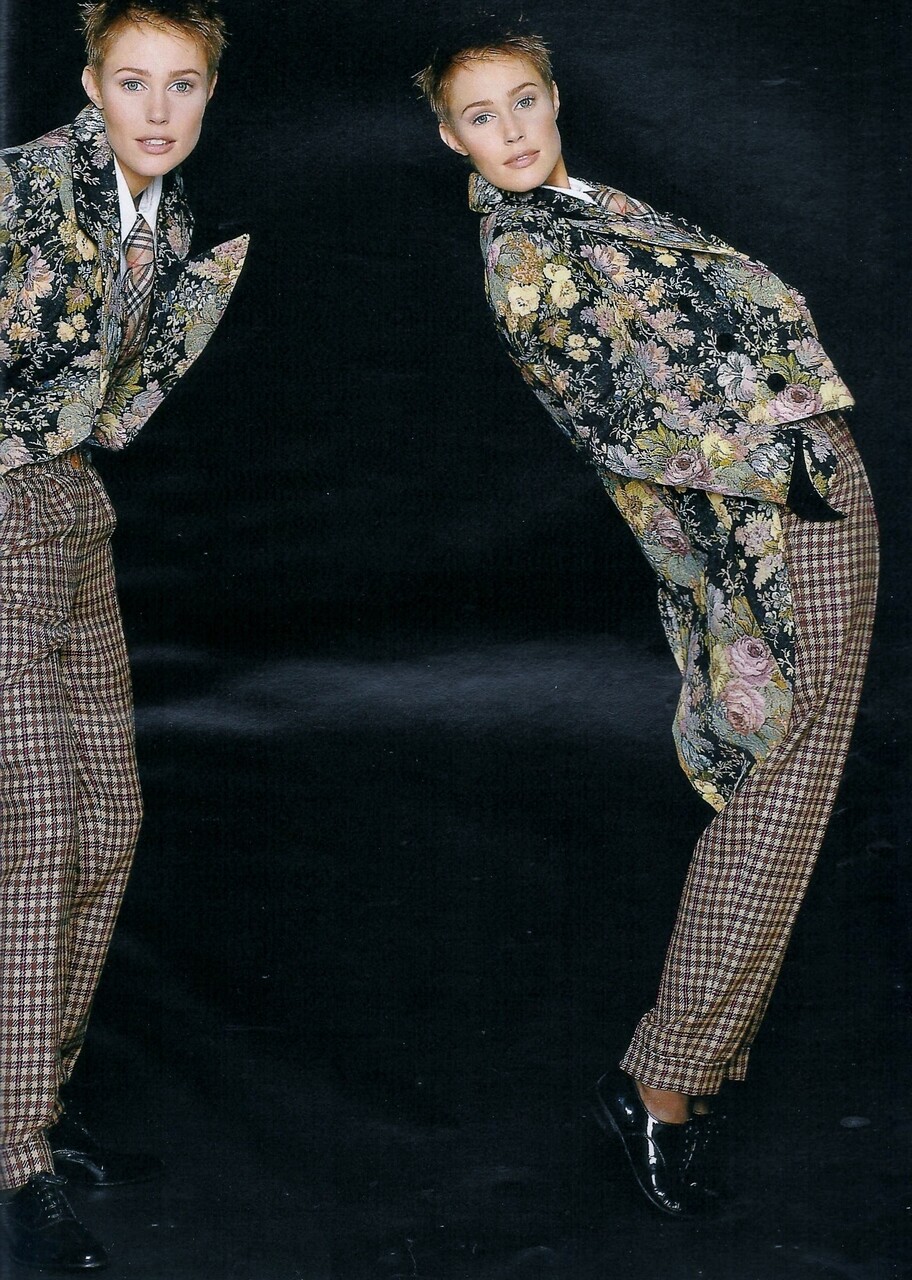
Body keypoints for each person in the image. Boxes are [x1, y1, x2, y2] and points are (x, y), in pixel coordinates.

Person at [415, 28, 878, 1217]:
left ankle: (692, 1068)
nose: (511, 131)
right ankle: (660, 1081)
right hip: (775, 518)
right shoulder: (522, 251)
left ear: (554, 99)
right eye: (481, 116)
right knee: (777, 795)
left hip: (799, 497)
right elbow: (620, 416)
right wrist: (791, 463)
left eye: (524, 101)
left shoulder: (583, 204)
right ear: (450, 137)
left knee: (787, 791)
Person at [0, 1, 248, 1269]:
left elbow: (117, 393)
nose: (158, 109)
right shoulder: (15, 189)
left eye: (183, 83)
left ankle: (35, 1098)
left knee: (111, 816)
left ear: (208, 93)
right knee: (38, 828)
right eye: (133, 81)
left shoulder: (173, 215)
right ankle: (13, 1158)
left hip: (75, 513)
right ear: (90, 84)